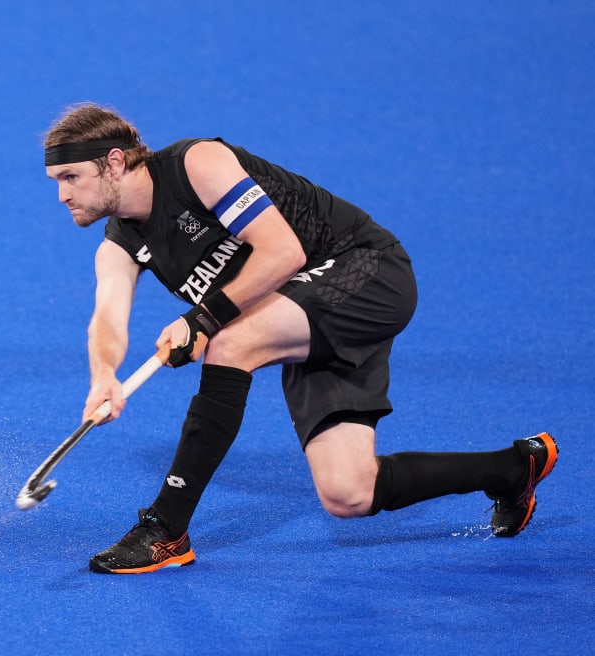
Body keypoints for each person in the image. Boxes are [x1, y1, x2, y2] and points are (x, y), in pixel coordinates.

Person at [41, 102, 559, 575]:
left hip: (365, 270)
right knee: (349, 493)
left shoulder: (197, 164)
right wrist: (104, 374)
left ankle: (166, 528)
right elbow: (107, 319)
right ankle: (515, 467)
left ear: (113, 162)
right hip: (303, 310)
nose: (62, 194)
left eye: (71, 176)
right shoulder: (119, 244)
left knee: (230, 345)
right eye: (55, 180)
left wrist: (201, 320)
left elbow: (282, 252)